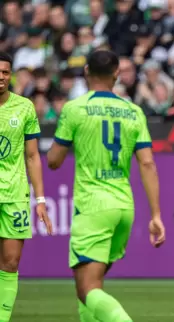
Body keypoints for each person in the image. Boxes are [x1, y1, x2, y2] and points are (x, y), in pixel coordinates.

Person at [46, 50, 166, 322]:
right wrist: (156, 215)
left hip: (93, 207)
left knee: (86, 288)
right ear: (116, 74)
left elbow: (53, 160)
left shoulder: (75, 109)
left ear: (86, 71)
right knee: (92, 284)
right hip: (123, 206)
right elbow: (147, 165)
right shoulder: (134, 112)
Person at [0, 52, 53, 322]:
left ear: (11, 76)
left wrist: (40, 199)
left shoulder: (24, 108)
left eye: (5, 72)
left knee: (10, 263)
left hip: (14, 195)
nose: (0, 77)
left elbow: (32, 156)